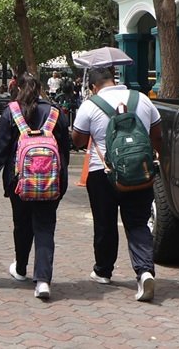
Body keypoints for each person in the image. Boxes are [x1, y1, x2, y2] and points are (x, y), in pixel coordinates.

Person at [71, 66, 163, 302]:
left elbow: (78, 140)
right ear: (114, 80)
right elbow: (157, 134)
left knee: (105, 223)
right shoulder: (142, 99)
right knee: (138, 223)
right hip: (140, 171)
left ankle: (103, 271)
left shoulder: (90, 105)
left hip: (102, 172)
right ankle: (144, 271)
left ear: (93, 86)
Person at [0, 73, 70, 300]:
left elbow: (0, 150)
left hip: (18, 181)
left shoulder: (11, 112)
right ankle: (43, 280)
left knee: (21, 225)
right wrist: (62, 179)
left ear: (18, 88)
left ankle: (21, 268)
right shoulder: (55, 113)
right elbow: (65, 150)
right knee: (45, 228)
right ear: (40, 88)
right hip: (51, 182)